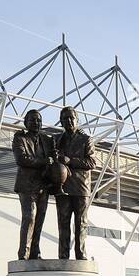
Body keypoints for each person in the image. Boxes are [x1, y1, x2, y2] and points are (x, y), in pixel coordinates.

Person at [52, 106, 96, 259]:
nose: (68, 121)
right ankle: (63, 255)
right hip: (62, 187)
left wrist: (70, 160)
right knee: (63, 223)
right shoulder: (56, 139)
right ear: (61, 122)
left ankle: (81, 254)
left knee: (81, 223)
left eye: (71, 118)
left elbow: (92, 162)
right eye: (65, 118)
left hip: (80, 187)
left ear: (77, 120)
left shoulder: (86, 139)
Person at [13, 108, 54, 260]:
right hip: (27, 185)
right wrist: (43, 162)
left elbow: (54, 157)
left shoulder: (47, 140)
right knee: (29, 217)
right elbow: (21, 159)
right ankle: (24, 252)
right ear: (26, 123)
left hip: (43, 185)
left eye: (38, 120)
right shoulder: (20, 138)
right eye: (32, 120)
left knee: (40, 219)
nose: (36, 123)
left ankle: (35, 252)